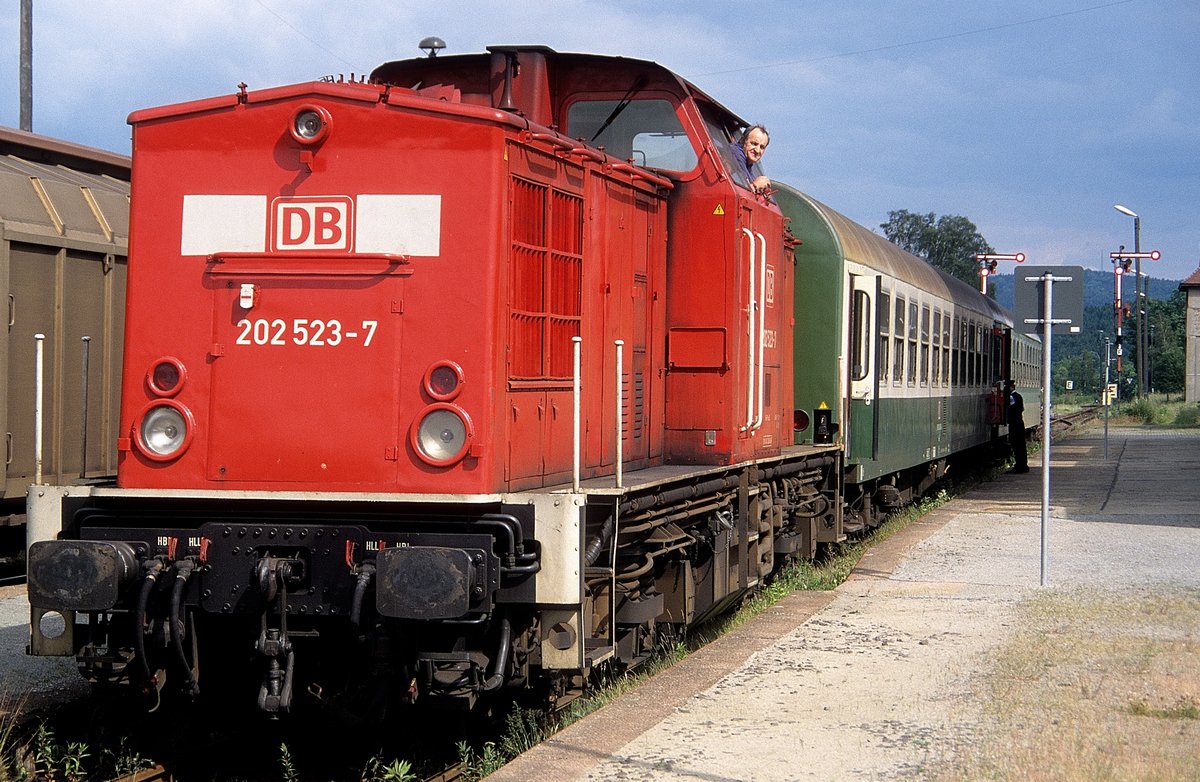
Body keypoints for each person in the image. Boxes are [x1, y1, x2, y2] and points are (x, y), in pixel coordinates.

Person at [730, 124, 771, 195]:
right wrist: (756, 185)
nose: (757, 150)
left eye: (762, 147)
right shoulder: (735, 153)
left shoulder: (748, 164)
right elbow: (745, 191)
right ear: (743, 140)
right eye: (754, 144)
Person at [1006, 381, 1028, 473]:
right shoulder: (1019, 396)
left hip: (1015, 424)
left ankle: (1019, 466)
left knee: (1016, 446)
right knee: (1021, 446)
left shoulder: (1011, 397)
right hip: (1020, 423)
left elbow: (1009, 408)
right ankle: (1023, 466)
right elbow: (1022, 409)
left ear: (1011, 387)